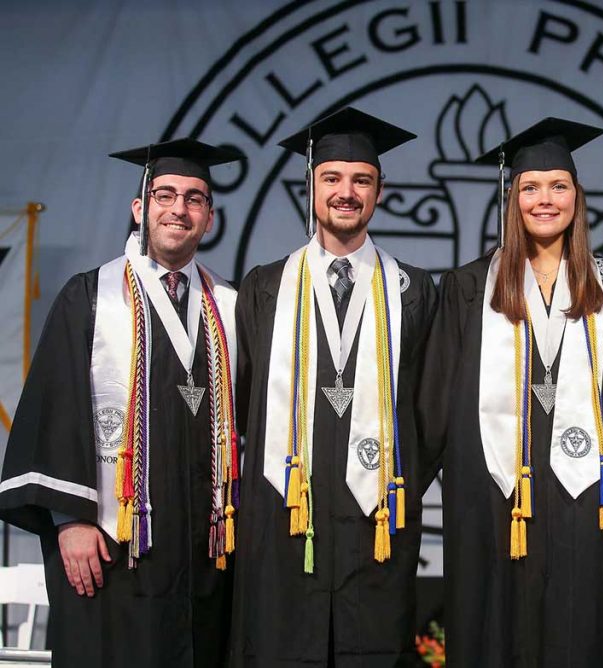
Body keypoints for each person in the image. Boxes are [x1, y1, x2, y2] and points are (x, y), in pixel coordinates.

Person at [0, 139, 243, 667]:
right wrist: (70, 521)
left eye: (194, 198)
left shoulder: (228, 306)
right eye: (165, 194)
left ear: (209, 218)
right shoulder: (90, 296)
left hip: (200, 554)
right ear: (140, 209)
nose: (179, 208)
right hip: (112, 546)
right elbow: (56, 409)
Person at [417, 117, 603, 666]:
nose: (545, 200)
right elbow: (436, 400)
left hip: (582, 494)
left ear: (577, 197)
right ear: (511, 197)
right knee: (493, 631)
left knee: (579, 627)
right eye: (530, 187)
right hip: (489, 497)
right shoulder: (469, 287)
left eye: (559, 186)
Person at [229, 107, 437, 666]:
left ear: (380, 191)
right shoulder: (266, 286)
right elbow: (244, 399)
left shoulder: (414, 290)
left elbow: (430, 409)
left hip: (377, 522)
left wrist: (398, 477)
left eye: (361, 180)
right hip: (284, 511)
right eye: (333, 178)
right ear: (311, 186)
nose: (347, 192)